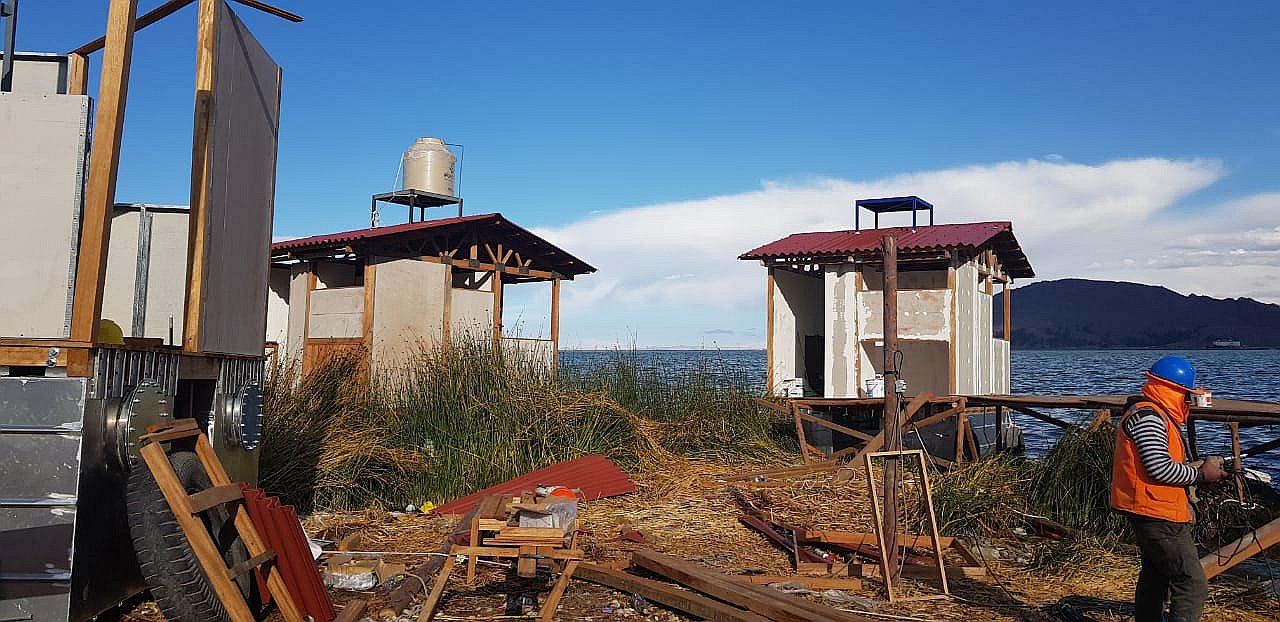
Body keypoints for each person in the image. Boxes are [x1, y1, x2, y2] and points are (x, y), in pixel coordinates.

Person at [1110, 355, 1228, 622]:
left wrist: (1191, 466)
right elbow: (1159, 469)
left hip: (1149, 508)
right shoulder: (1149, 417)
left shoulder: (1153, 413)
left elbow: (1157, 461)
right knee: (1191, 582)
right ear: (1177, 391)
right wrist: (1200, 474)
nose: (1189, 401)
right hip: (1157, 512)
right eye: (1187, 395)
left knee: (1156, 574)